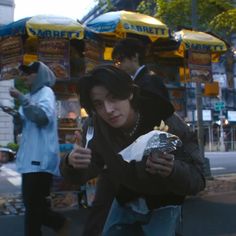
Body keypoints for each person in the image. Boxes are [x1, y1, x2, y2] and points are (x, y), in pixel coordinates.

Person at [60, 65, 205, 235]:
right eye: (99, 104)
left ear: (129, 93)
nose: (108, 110)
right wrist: (72, 162)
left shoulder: (168, 124)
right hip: (126, 198)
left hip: (165, 202)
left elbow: (198, 180)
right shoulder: (96, 126)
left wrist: (172, 170)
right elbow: (88, 170)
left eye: (113, 98)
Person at [9, 61, 69, 236]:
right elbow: (21, 126)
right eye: (24, 74)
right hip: (29, 159)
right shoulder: (30, 95)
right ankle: (58, 223)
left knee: (33, 206)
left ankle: (59, 222)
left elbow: (42, 118)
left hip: (40, 159)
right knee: (34, 206)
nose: (24, 77)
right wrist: (16, 116)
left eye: (29, 74)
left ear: (39, 75)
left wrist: (21, 99)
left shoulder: (46, 93)